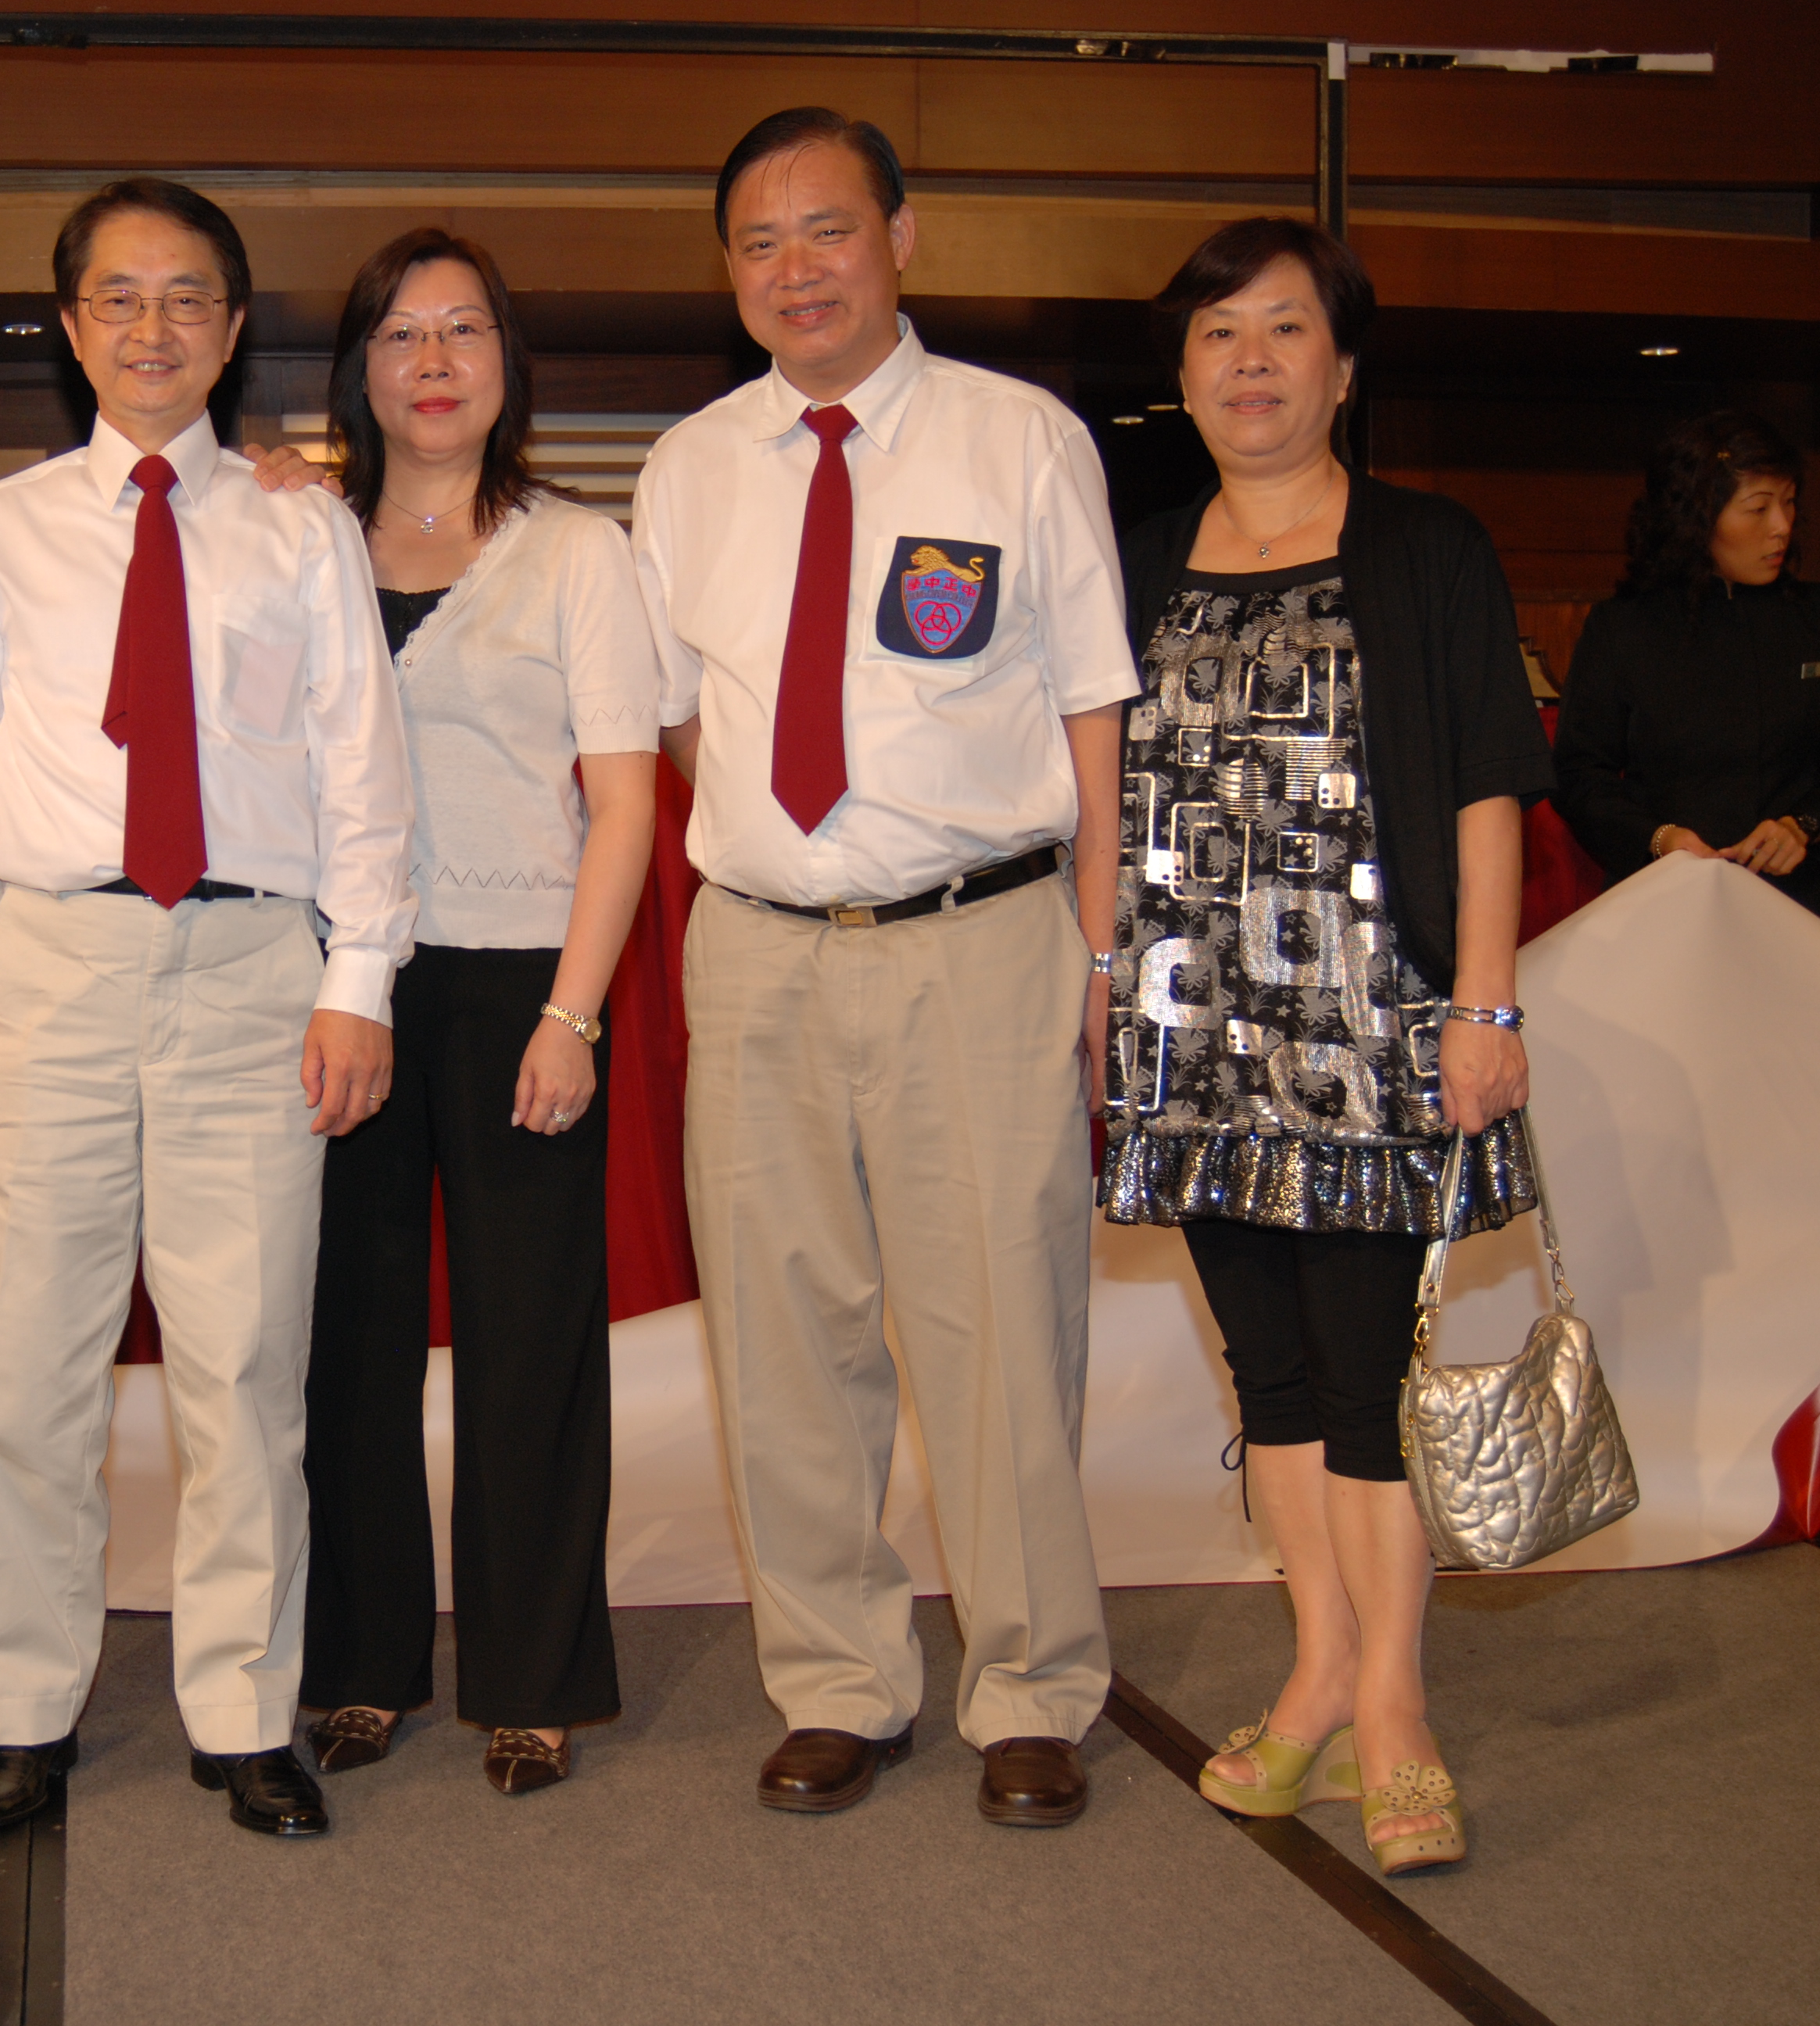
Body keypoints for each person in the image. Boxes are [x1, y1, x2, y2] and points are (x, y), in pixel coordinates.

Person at [631, 107, 1132, 1830]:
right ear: (729, 271)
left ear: (901, 238)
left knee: (999, 1328)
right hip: (758, 955)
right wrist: (789, 855)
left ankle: (1032, 1684)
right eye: (758, 243)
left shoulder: (1019, 438)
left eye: (827, 230)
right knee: (780, 1338)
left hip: (979, 941)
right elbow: (683, 719)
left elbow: (1092, 707)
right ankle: (836, 1680)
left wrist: (1096, 947)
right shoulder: (687, 466)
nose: (796, 270)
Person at [0, 177, 415, 1840]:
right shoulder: (0, 528)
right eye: (117, 298)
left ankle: (243, 1713)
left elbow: (361, 768)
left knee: (244, 1371)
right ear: (69, 328)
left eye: (186, 296)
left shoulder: (299, 526)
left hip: (253, 974)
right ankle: (27, 1708)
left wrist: (358, 981)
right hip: (49, 969)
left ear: (232, 324)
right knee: (28, 1374)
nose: (151, 327)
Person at [1105, 217, 1548, 1878]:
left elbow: (1489, 781)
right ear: (1182, 376)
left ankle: (1393, 1706)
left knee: (1368, 1386)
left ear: (1342, 366)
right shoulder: (1139, 558)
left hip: (1370, 1034)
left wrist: (1483, 1003)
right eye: (1217, 335)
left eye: (1284, 329)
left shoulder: (1427, 547)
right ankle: (1315, 1671)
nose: (1251, 363)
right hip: (1192, 1034)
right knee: (1269, 1378)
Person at [295, 229, 657, 1796]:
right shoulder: (302, 541)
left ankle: (533, 1674)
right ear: (358, 367)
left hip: (521, 979)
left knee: (529, 1343)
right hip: (342, 985)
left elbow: (625, 803)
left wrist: (574, 1015)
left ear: (508, 361)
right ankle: (361, 1661)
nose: (433, 361)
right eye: (400, 332)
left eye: (464, 330)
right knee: (347, 1341)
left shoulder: (576, 551)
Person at [1555, 410, 1819, 912]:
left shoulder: (1810, 618)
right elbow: (1579, 776)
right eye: (1759, 508)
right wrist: (1660, 839)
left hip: (1804, 900)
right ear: (1698, 519)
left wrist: (1803, 825)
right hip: (1666, 900)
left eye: (1789, 503)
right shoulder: (1625, 626)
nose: (1782, 527)